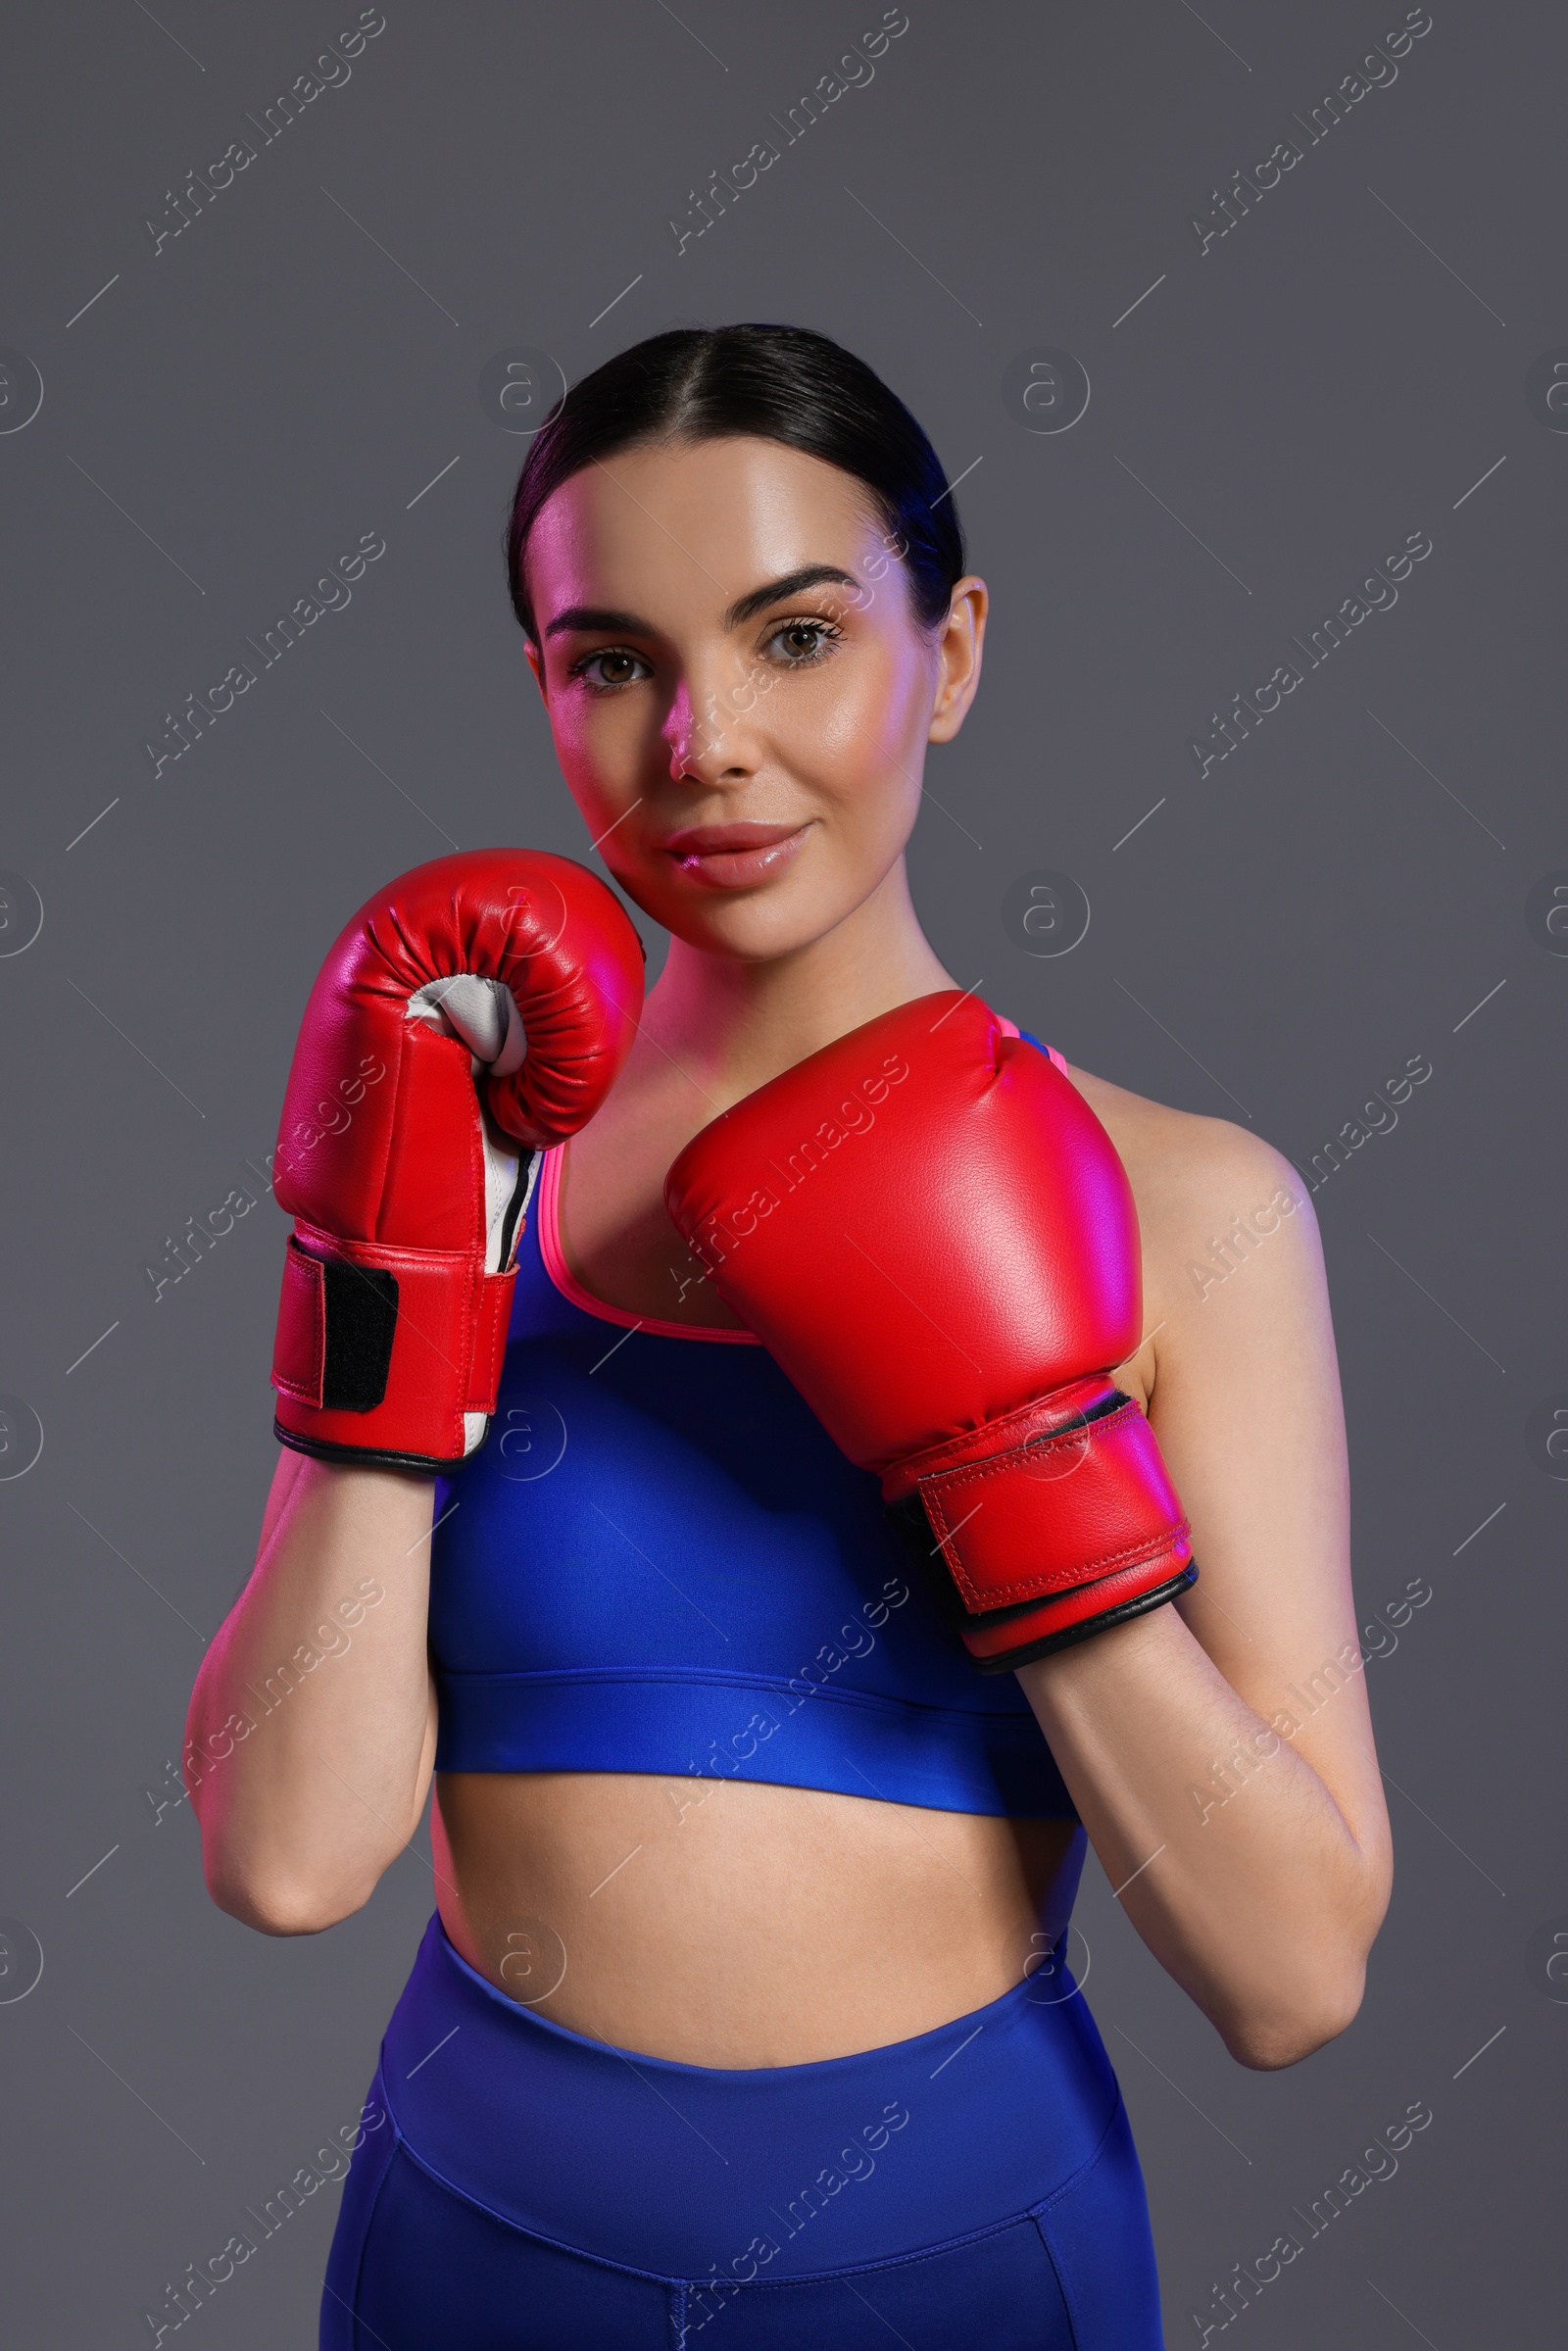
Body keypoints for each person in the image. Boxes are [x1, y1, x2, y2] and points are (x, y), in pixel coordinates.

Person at [186, 324, 1392, 2348]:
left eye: (795, 638)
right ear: (547, 696)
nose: (704, 744)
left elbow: (1289, 1978)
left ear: (954, 648)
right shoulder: (461, 1147)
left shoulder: (1188, 1214)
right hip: (472, 2258)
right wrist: (399, 1307)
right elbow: (289, 1859)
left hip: (966, 2268)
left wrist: (1013, 1452)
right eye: (614, 662)